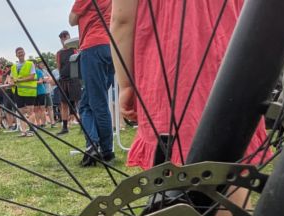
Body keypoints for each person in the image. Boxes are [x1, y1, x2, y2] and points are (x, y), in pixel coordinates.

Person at [110, 0, 269, 169]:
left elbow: (122, 20)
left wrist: (126, 84)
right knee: (232, 161)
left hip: (172, 71)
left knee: (172, 162)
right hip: (233, 60)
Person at [71, 0, 116, 166]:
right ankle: (97, 146)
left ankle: (102, 150)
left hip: (92, 46)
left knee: (94, 104)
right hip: (110, 46)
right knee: (92, 102)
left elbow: (72, 19)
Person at [55, 30, 81, 135]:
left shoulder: (75, 50)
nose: (64, 39)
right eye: (62, 37)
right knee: (63, 104)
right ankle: (65, 127)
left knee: (78, 102)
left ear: (69, 37)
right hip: (63, 80)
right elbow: (58, 67)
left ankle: (83, 125)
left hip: (74, 79)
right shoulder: (59, 53)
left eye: (65, 37)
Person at [10, 47, 38, 137]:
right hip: (18, 91)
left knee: (30, 111)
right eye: (18, 52)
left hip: (29, 91)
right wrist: (11, 82)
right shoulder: (13, 66)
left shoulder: (30, 64)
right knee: (21, 112)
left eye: (21, 52)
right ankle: (23, 131)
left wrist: (19, 80)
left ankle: (31, 130)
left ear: (24, 53)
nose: (20, 54)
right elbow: (11, 78)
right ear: (16, 55)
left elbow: (32, 76)